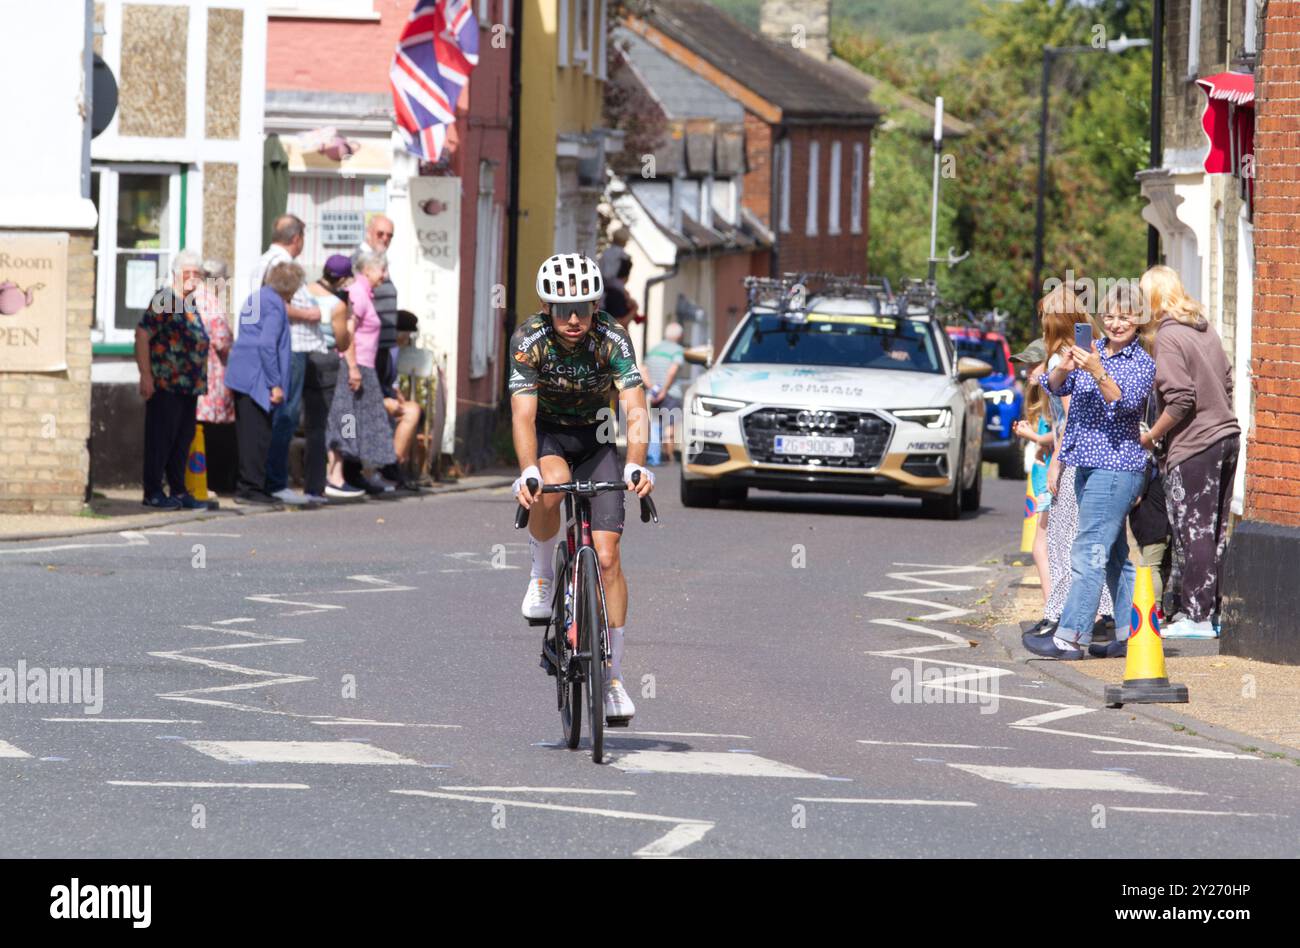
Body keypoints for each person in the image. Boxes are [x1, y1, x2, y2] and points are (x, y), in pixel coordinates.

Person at [511, 253, 655, 725]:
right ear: (546, 307)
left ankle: (611, 677)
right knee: (550, 483)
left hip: (596, 439)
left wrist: (635, 465)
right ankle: (540, 573)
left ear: (595, 306)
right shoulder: (529, 340)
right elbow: (523, 414)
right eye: (561, 309)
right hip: (549, 434)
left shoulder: (613, 337)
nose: (572, 320)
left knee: (609, 556)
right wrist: (528, 469)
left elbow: (634, 407)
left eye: (582, 309)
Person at [1025, 282, 1153, 660]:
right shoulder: (1092, 351)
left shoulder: (1140, 363)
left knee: (1087, 552)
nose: (1115, 324)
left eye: (1125, 317)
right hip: (1086, 465)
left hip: (1114, 468)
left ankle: (1070, 636)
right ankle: (1134, 635)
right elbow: (1052, 386)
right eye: (1109, 316)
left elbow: (1125, 404)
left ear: (1139, 321)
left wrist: (1097, 370)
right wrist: (1064, 369)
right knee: (1113, 556)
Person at [1138, 265, 1241, 639]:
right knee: (1215, 531)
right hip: (1228, 436)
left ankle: (1196, 617)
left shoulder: (1167, 335)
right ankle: (1211, 613)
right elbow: (1227, 381)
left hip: (1195, 446)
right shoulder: (1204, 327)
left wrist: (1150, 436)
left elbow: (1180, 399)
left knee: (1194, 530)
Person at [250, 214, 320, 506]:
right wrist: (310, 314)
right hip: (286, 349)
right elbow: (272, 304)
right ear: (297, 238)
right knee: (285, 416)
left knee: (284, 416)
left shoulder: (266, 260)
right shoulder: (277, 263)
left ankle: (273, 480)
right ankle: (275, 481)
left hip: (288, 347)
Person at [134, 250, 209, 509]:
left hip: (189, 387)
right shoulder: (165, 299)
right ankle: (153, 491)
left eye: (198, 274)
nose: (193, 278)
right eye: (188, 273)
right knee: (160, 439)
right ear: (176, 275)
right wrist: (146, 375)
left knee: (182, 439)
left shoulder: (189, 304)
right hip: (166, 385)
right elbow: (143, 334)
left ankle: (178, 490)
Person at [225, 263, 301, 506]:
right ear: (290, 288)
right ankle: (250, 489)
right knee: (257, 436)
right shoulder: (276, 305)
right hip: (258, 377)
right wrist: (275, 383)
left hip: (242, 373)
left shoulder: (255, 298)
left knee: (248, 433)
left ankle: (250, 485)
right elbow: (267, 344)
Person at [326, 251, 398, 490]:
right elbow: (349, 332)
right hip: (354, 366)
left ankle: (356, 475)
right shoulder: (357, 291)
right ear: (367, 269)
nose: (384, 275)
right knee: (346, 420)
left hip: (364, 366)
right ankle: (335, 477)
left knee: (361, 423)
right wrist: (353, 367)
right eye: (381, 270)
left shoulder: (366, 293)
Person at [304, 255, 363, 501]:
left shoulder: (304, 292)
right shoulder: (336, 304)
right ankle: (316, 485)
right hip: (325, 361)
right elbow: (341, 341)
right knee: (318, 427)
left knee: (294, 423)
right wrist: (350, 325)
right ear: (340, 279)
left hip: (300, 357)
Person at [1010, 342, 1053, 607]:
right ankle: (1053, 609)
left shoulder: (1056, 395)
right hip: (1042, 480)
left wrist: (1033, 436)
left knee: (1042, 548)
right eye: (1026, 365)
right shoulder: (1038, 397)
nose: (1028, 371)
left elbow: (1060, 434)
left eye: (1034, 364)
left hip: (1051, 481)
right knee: (1044, 548)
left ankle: (1053, 610)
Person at [198, 259, 237, 495]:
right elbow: (222, 342)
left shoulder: (191, 297)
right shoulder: (211, 303)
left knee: (196, 428)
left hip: (197, 372)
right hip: (212, 375)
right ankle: (209, 482)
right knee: (212, 432)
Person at [382, 309, 424, 486]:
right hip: (376, 397)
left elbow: (393, 381)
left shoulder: (396, 350)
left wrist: (396, 394)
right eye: (408, 333)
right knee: (411, 411)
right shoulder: (387, 349)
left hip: (387, 395)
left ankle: (394, 463)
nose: (409, 338)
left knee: (412, 409)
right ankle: (390, 466)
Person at [643, 321, 687, 464]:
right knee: (670, 424)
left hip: (654, 393)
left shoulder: (654, 349)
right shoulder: (678, 350)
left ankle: (654, 457)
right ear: (679, 336)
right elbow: (672, 371)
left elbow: (643, 370)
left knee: (656, 423)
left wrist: (652, 387)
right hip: (671, 393)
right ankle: (670, 456)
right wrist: (664, 390)